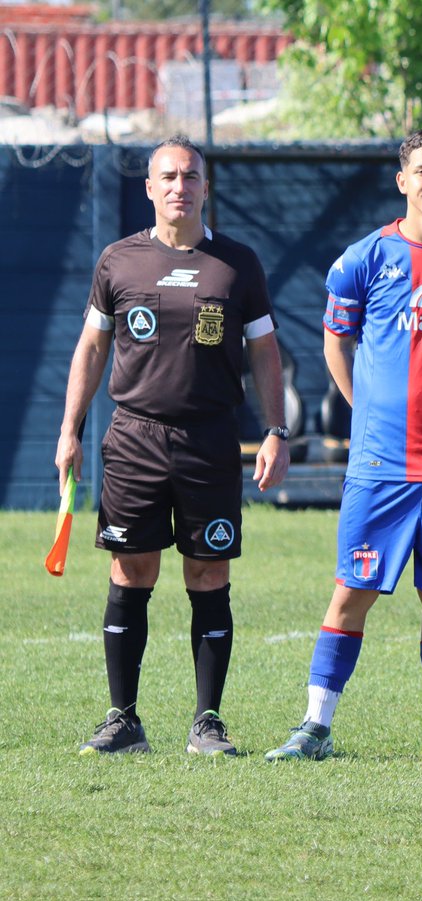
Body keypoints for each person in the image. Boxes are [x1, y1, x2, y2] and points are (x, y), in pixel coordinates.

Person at [265, 129, 422, 766]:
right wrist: (365, 409)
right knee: (352, 591)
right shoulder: (365, 258)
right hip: (380, 464)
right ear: (403, 181)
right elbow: (334, 342)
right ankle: (315, 726)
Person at [59, 134, 290, 756]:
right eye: (168, 177)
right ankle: (122, 720)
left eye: (190, 176)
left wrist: (275, 430)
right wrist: (69, 430)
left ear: (205, 187)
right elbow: (91, 347)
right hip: (134, 437)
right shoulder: (118, 260)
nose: (179, 187)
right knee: (130, 570)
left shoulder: (237, 264)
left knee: (209, 572)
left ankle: (207, 722)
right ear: (149, 188)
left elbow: (265, 350)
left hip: (209, 438)